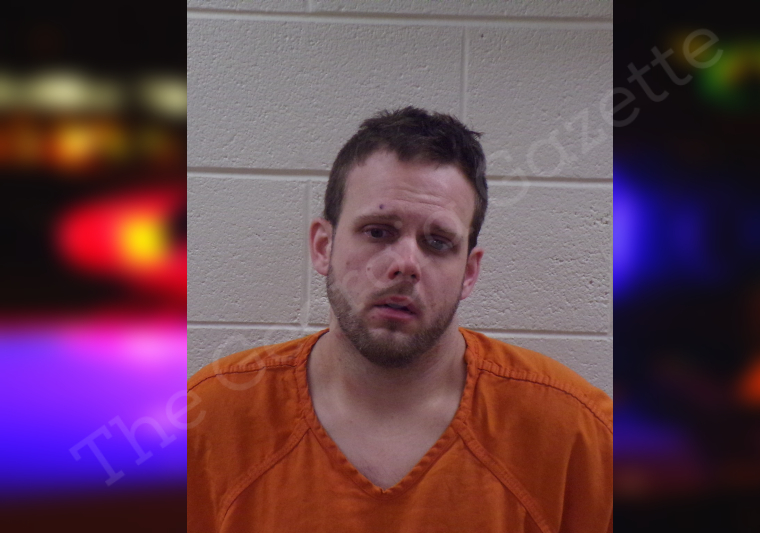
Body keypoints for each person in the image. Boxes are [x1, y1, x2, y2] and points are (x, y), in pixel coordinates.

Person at [187, 107, 613, 533]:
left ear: (469, 273)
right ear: (323, 247)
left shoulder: (577, 435)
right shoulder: (208, 422)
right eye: (378, 231)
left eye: (438, 242)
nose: (406, 264)